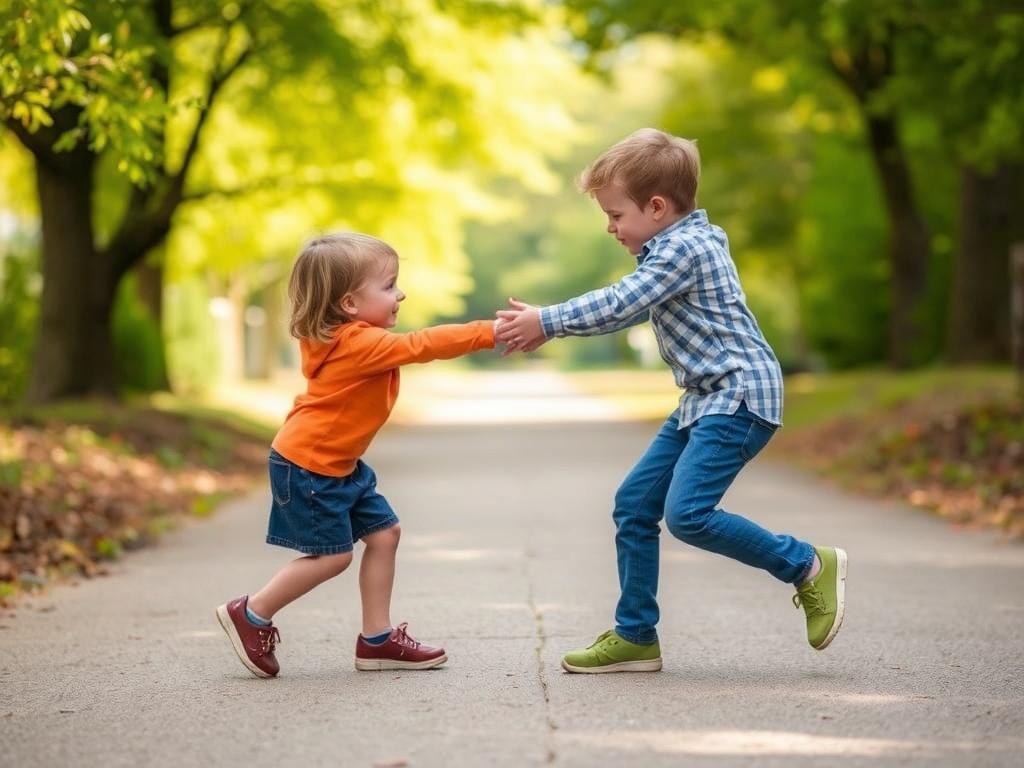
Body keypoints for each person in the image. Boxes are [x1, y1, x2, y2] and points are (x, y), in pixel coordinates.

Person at [496, 128, 847, 673]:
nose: (611, 228)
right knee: (634, 505)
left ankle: (805, 563)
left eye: (616, 215)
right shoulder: (672, 248)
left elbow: (622, 301)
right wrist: (551, 328)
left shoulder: (684, 248)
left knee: (687, 515)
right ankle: (636, 635)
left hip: (738, 396)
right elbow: (635, 307)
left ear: (656, 207)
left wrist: (549, 318)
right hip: (704, 400)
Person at [217, 232, 498, 678]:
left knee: (385, 535)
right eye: (388, 286)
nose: (400, 293)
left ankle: (377, 639)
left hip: (337, 464)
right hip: (310, 466)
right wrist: (492, 332)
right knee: (333, 556)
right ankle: (251, 613)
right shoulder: (358, 343)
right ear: (349, 303)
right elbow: (422, 345)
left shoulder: (350, 339)